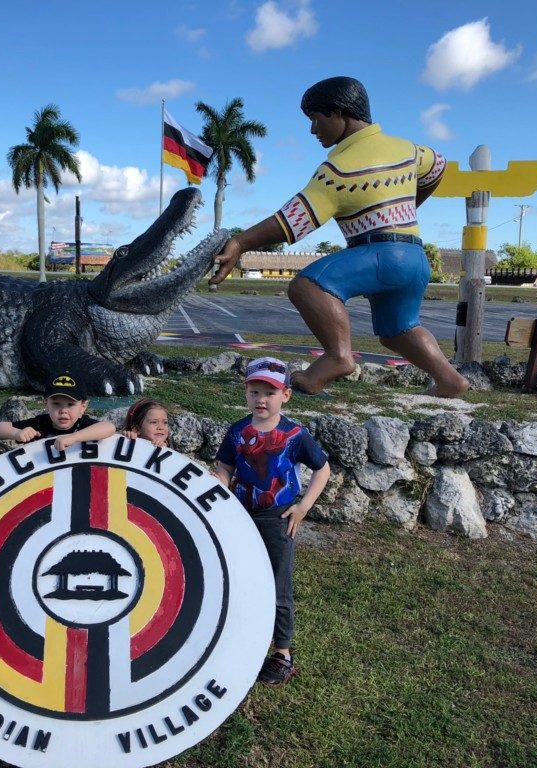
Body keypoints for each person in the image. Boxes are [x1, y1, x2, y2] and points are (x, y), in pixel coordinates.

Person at [211, 76, 469, 399]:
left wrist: (240, 242)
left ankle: (337, 357)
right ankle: (449, 380)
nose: (313, 130)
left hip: (379, 255)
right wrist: (410, 206)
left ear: (339, 113)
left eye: (316, 120)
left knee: (308, 286)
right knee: (398, 330)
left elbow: (292, 221)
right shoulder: (409, 149)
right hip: (416, 259)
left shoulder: (338, 170)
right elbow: (437, 168)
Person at [214, 356, 331, 685]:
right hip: (239, 515)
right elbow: (225, 468)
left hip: (277, 517)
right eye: (255, 392)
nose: (261, 399)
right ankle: (245, 638)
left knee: (278, 585)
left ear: (286, 395)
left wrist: (303, 506)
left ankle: (282, 653)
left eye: (270, 392)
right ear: (246, 392)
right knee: (239, 578)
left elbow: (322, 469)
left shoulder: (294, 434)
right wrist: (220, 481)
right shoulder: (237, 431)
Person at [0, 371, 116, 450]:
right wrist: (17, 433)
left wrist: (74, 437)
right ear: (46, 404)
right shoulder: (39, 424)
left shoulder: (83, 424)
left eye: (70, 404)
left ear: (83, 406)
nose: (63, 411)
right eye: (56, 404)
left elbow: (109, 427)